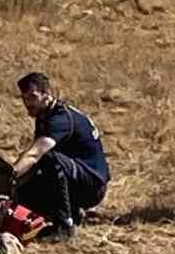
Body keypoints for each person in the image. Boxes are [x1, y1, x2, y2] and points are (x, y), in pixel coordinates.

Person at [12, 71, 110, 242]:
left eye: (32, 97)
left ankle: (65, 227)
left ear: (46, 94)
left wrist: (10, 175)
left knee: (49, 159)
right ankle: (71, 210)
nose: (28, 103)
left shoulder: (60, 118)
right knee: (22, 195)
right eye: (24, 98)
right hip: (77, 178)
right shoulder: (44, 115)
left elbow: (36, 154)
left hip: (92, 186)